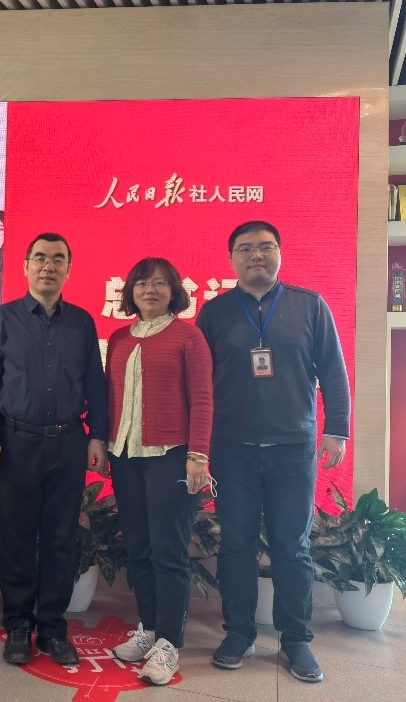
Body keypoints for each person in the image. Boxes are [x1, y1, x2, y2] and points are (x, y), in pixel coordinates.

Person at [196, 221, 350, 683]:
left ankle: (296, 639)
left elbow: (334, 371)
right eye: (245, 248)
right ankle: (239, 633)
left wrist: (337, 430)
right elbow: (200, 384)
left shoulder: (310, 305)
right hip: (232, 448)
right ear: (232, 259)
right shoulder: (215, 313)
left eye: (265, 247)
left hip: (292, 449)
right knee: (236, 543)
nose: (256, 255)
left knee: (292, 546)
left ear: (280, 252)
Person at [0, 232, 108, 667]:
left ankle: (51, 628)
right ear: (26, 266)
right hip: (15, 443)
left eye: (58, 259)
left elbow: (95, 384)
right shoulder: (3, 319)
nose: (49, 266)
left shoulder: (82, 322)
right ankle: (17, 625)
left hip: (67, 443)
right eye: (41, 258)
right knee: (16, 538)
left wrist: (97, 435)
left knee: (60, 539)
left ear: (69, 268)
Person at [104, 258, 214, 686]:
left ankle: (169, 643)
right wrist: (103, 443)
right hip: (125, 456)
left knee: (169, 552)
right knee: (138, 548)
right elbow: (110, 397)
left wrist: (198, 455)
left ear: (174, 292)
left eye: (160, 284)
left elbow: (202, 398)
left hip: (172, 456)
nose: (150, 290)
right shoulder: (118, 338)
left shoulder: (189, 337)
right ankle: (148, 629)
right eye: (142, 283)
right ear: (130, 291)